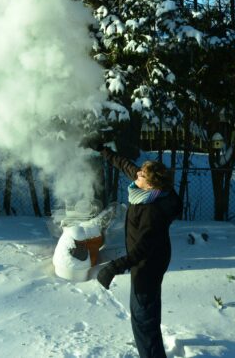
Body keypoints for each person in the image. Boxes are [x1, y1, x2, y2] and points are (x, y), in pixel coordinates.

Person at [96, 149, 181, 358]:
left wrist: (113, 267)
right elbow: (125, 164)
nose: (138, 174)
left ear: (150, 184)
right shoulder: (146, 193)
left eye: (142, 174)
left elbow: (141, 250)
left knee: (143, 318)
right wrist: (101, 148)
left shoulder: (153, 211)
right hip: (152, 256)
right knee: (147, 309)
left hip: (148, 264)